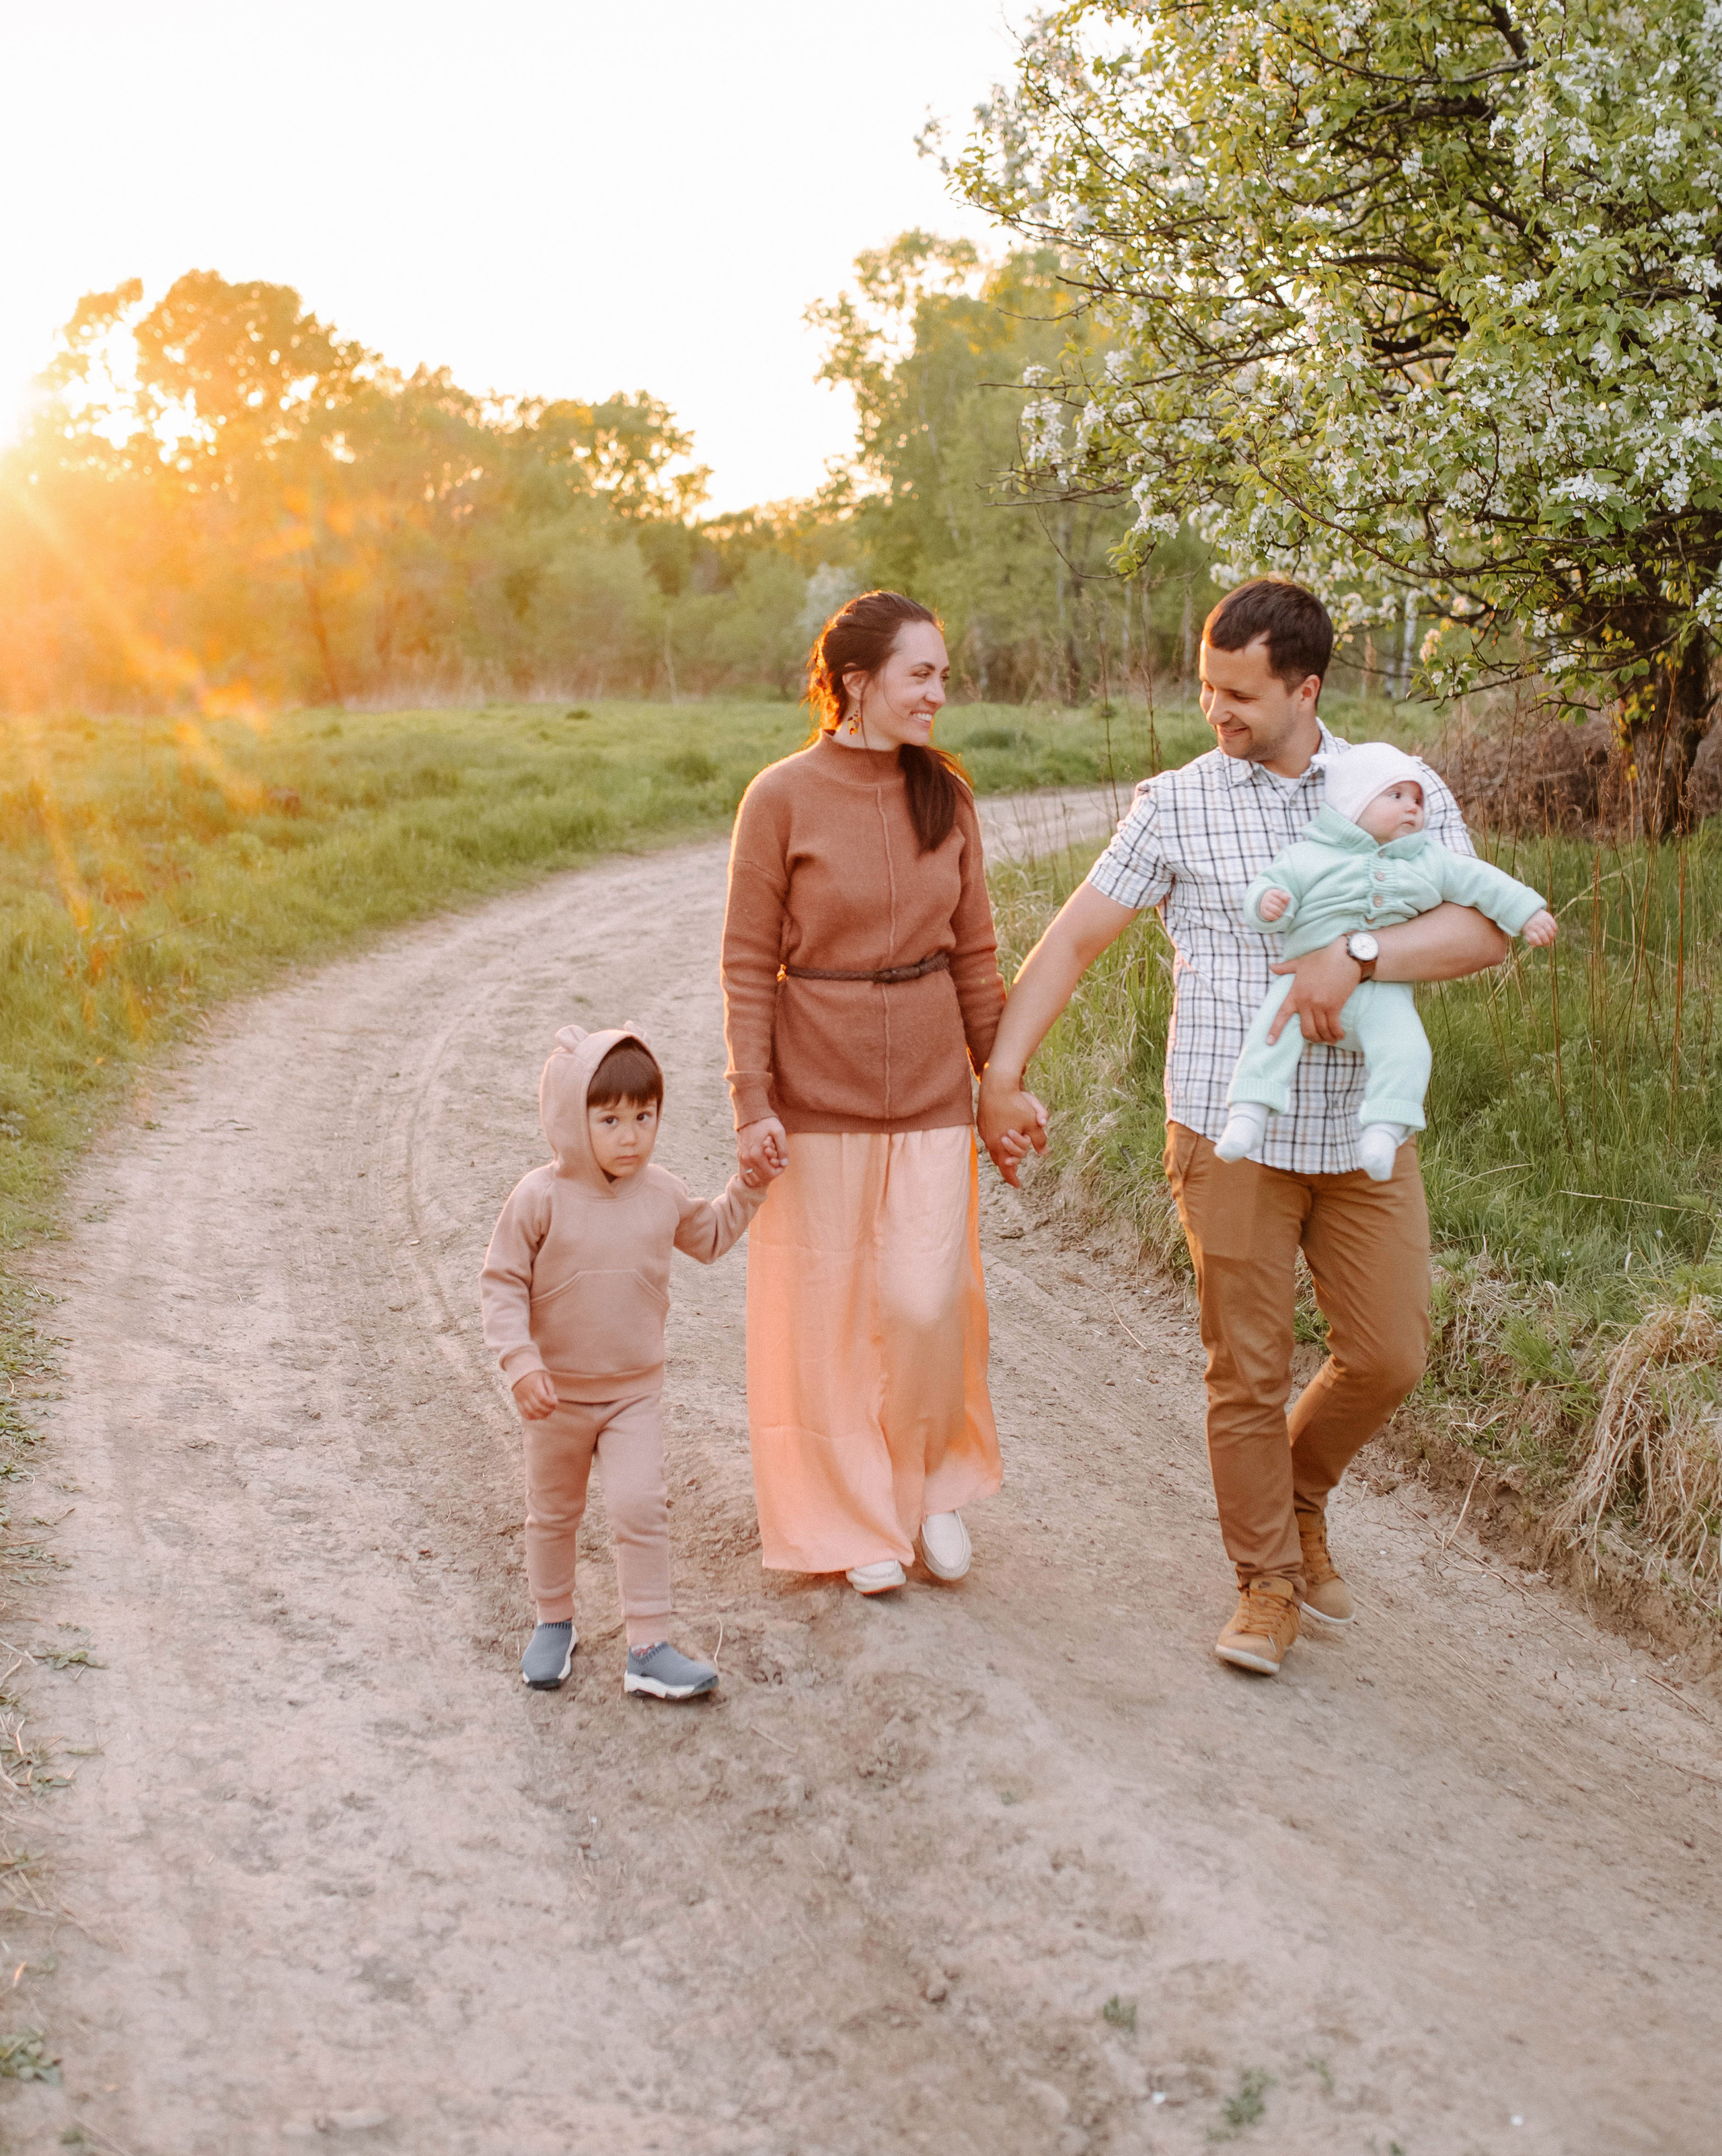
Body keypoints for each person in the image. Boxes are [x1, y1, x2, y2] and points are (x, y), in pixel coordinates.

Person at [977, 578, 1511, 1678]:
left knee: (1390, 1355)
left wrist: (1359, 956)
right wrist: (1002, 1070)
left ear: (1307, 690)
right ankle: (1266, 1582)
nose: (1215, 710)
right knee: (1248, 1371)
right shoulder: (1175, 803)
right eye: (1207, 687)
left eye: (1241, 693)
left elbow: (1478, 926)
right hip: (1228, 1129)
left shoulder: (1395, 785)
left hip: (1362, 1127)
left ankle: (1300, 1493)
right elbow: (1073, 941)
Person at [720, 590, 1024, 1597]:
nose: (939, 693)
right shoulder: (780, 797)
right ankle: (853, 1521)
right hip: (816, 1093)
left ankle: (927, 1486)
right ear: (857, 682)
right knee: (829, 1314)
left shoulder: (948, 797)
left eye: (943, 676)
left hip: (934, 1090)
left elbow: (975, 957)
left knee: (925, 1302)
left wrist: (999, 1087)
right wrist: (752, 1101)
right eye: (920, 674)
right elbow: (746, 963)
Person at [479, 1023, 764, 1698]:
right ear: (571, 1119)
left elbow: (710, 1235)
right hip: (555, 1395)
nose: (630, 1136)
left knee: (641, 1507)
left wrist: (749, 1187)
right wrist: (521, 1363)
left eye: (644, 1117)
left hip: (634, 1394)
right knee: (553, 1513)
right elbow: (502, 1282)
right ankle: (554, 1621)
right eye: (609, 1120)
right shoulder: (539, 1198)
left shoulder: (661, 1192)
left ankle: (648, 1645)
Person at [1217, 740, 1557, 1180]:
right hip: (1303, 981)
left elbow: (1483, 882)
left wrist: (1528, 914)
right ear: (1350, 805)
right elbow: (1270, 890)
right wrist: (1270, 905)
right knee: (1271, 1033)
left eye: (1417, 799)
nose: (1412, 807)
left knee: (1408, 1048)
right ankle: (1248, 1113)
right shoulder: (1308, 856)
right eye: (1395, 796)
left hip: (1383, 991)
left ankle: (1384, 1128)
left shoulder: (1428, 860)